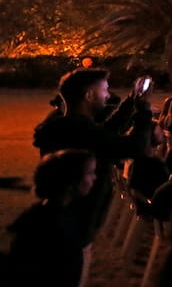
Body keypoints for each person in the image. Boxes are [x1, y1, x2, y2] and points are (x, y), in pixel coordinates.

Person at [33, 68, 153, 242]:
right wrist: (144, 111)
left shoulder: (68, 127)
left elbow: (106, 133)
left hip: (64, 220)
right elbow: (135, 147)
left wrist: (131, 100)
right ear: (89, 95)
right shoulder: (82, 132)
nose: (108, 96)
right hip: (75, 225)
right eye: (104, 90)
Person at [7, 149, 97, 287]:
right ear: (71, 181)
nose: (94, 178)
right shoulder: (54, 226)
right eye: (90, 173)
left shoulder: (45, 213)